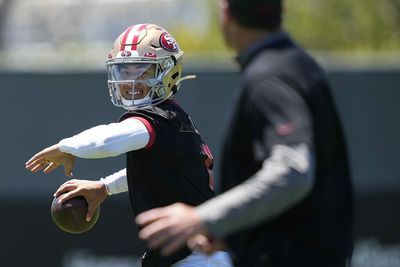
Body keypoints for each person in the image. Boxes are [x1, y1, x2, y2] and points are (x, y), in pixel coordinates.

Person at [135, 1, 354, 266]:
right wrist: (230, 230)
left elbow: (293, 171)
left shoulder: (268, 77)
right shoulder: (301, 64)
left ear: (226, 14)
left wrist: (203, 218)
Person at [25, 23, 233, 267]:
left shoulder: (157, 118)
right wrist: (104, 187)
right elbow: (156, 173)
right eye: (124, 70)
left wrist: (66, 147)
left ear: (169, 71)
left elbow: (107, 140)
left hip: (193, 258)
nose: (129, 80)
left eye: (141, 70)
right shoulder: (173, 118)